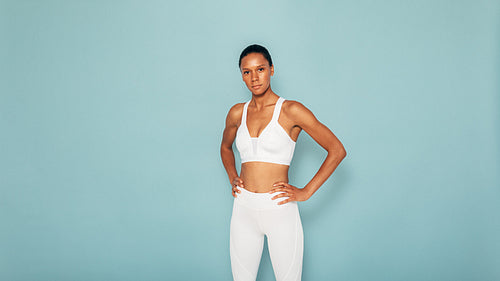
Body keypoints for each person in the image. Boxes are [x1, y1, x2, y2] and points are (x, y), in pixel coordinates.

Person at [220, 44, 346, 281]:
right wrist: (232, 176)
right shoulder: (237, 113)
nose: (254, 77)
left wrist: (306, 192)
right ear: (242, 75)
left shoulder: (291, 110)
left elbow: (337, 150)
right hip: (243, 208)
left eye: (260, 69)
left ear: (272, 70)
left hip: (279, 209)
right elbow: (225, 148)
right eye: (247, 72)